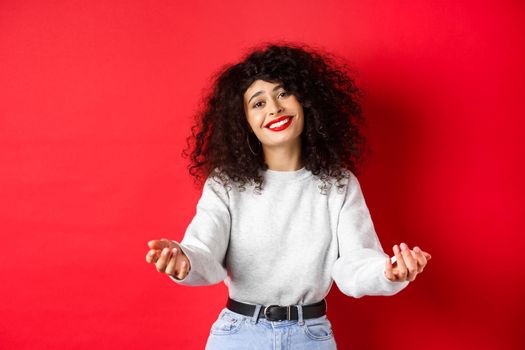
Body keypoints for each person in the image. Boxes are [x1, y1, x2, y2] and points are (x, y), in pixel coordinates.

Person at [145, 42, 432, 349]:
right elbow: (204, 251)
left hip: (310, 336)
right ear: (244, 122)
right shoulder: (226, 184)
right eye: (258, 103)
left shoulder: (338, 184)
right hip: (239, 335)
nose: (274, 108)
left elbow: (355, 264)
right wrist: (183, 261)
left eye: (283, 93)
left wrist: (389, 274)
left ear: (306, 101)